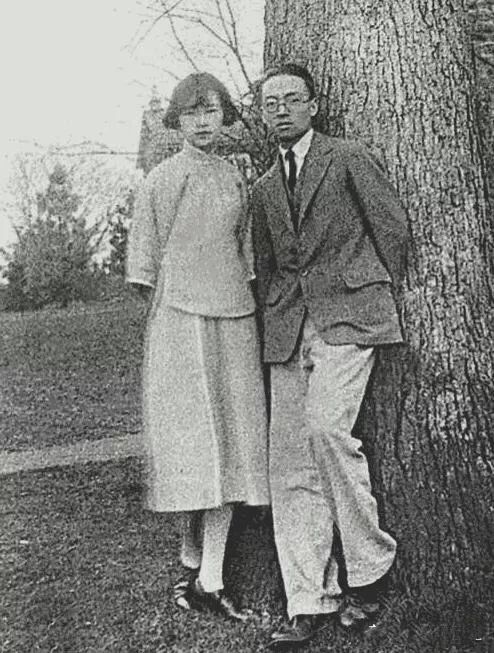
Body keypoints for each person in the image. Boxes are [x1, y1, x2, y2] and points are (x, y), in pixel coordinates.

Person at [251, 63, 409, 647]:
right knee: (289, 461)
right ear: (263, 115)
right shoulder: (264, 188)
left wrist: (369, 291)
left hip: (349, 318)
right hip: (289, 328)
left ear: (314, 105)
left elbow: (391, 229)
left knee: (325, 429)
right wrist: (279, 317)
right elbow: (267, 265)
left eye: (293, 99)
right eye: (271, 104)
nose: (282, 110)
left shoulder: (346, 157)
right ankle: (308, 597)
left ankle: (370, 569)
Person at [126, 72, 269, 621]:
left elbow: (247, 255)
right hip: (180, 323)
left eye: (211, 111)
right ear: (177, 121)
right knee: (192, 442)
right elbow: (144, 269)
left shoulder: (235, 178)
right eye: (192, 113)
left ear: (224, 115)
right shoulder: (161, 180)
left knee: (234, 438)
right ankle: (192, 560)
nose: (203, 122)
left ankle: (210, 576)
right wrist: (174, 314)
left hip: (234, 317)